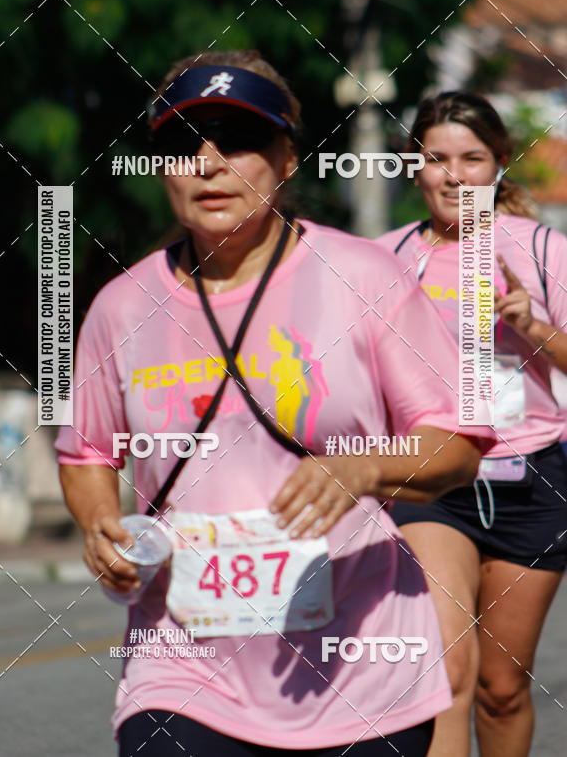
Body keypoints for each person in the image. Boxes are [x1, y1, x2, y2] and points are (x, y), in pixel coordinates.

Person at [56, 52, 492, 757]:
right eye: (180, 144)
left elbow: (457, 445)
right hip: (184, 670)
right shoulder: (120, 307)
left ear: (287, 158)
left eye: (237, 138)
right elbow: (87, 451)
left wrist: (364, 471)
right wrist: (101, 521)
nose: (208, 162)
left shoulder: (362, 278)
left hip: (362, 673)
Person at [378, 91, 567, 757]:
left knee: (502, 687)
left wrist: (530, 323)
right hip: (430, 486)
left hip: (534, 479)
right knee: (447, 674)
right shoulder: (383, 257)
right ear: (415, 167)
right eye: (436, 159)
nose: (454, 175)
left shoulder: (543, 249)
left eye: (472, 158)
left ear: (499, 163)